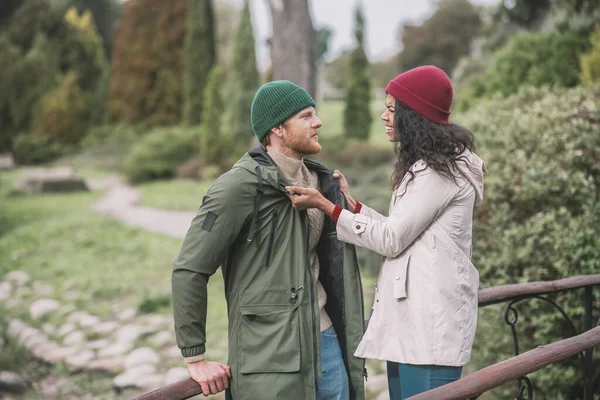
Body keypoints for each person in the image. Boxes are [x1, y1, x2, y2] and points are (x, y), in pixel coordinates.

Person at [286, 65, 487, 399]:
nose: (383, 116)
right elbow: (403, 231)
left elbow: (391, 240)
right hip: (412, 324)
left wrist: (326, 206)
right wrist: (354, 208)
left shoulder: (440, 173)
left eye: (392, 109)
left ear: (414, 115)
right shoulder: (430, 165)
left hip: (430, 330)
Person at [171, 80, 366, 400]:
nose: (317, 122)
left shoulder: (321, 182)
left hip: (326, 339)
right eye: (306, 116)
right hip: (270, 353)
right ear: (277, 128)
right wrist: (195, 357)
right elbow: (189, 269)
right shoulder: (237, 188)